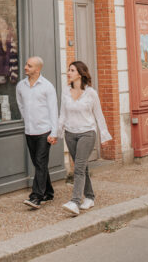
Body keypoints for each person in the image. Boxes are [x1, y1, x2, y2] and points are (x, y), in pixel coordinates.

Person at [58, 61, 112, 216]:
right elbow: (62, 114)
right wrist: (57, 133)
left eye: (72, 70)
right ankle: (89, 197)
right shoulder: (66, 92)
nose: (68, 72)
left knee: (79, 168)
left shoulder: (91, 93)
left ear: (80, 74)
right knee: (83, 167)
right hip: (70, 134)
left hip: (87, 133)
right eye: (68, 70)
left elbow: (99, 115)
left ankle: (75, 202)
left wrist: (104, 135)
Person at [16, 56, 58, 209]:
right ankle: (49, 192)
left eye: (29, 65)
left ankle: (36, 197)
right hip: (29, 131)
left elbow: (54, 111)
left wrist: (54, 132)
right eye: (26, 64)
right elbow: (21, 106)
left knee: (40, 163)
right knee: (39, 164)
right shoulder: (21, 86)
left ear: (37, 69)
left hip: (44, 131)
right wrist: (27, 121)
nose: (25, 67)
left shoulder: (47, 87)